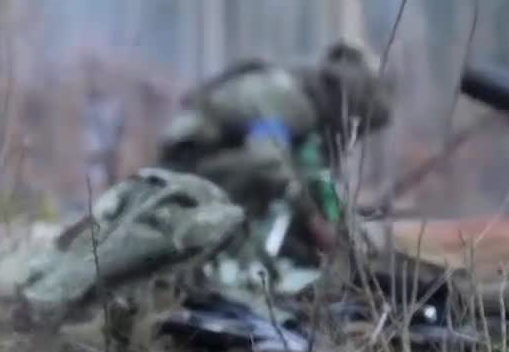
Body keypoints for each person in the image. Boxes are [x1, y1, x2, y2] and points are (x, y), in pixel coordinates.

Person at [157, 41, 392, 266]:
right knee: (272, 178)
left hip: (213, 164)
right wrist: (311, 217)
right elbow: (266, 159)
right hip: (187, 168)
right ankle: (234, 259)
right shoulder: (286, 96)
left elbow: (319, 176)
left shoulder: (307, 112)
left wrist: (339, 219)